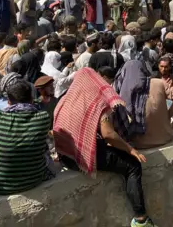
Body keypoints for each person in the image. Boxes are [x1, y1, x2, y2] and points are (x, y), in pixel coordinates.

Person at [54, 68, 155, 227]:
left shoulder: (65, 100)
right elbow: (108, 134)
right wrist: (130, 149)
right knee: (133, 166)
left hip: (66, 157)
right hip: (83, 156)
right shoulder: (96, 101)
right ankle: (141, 220)